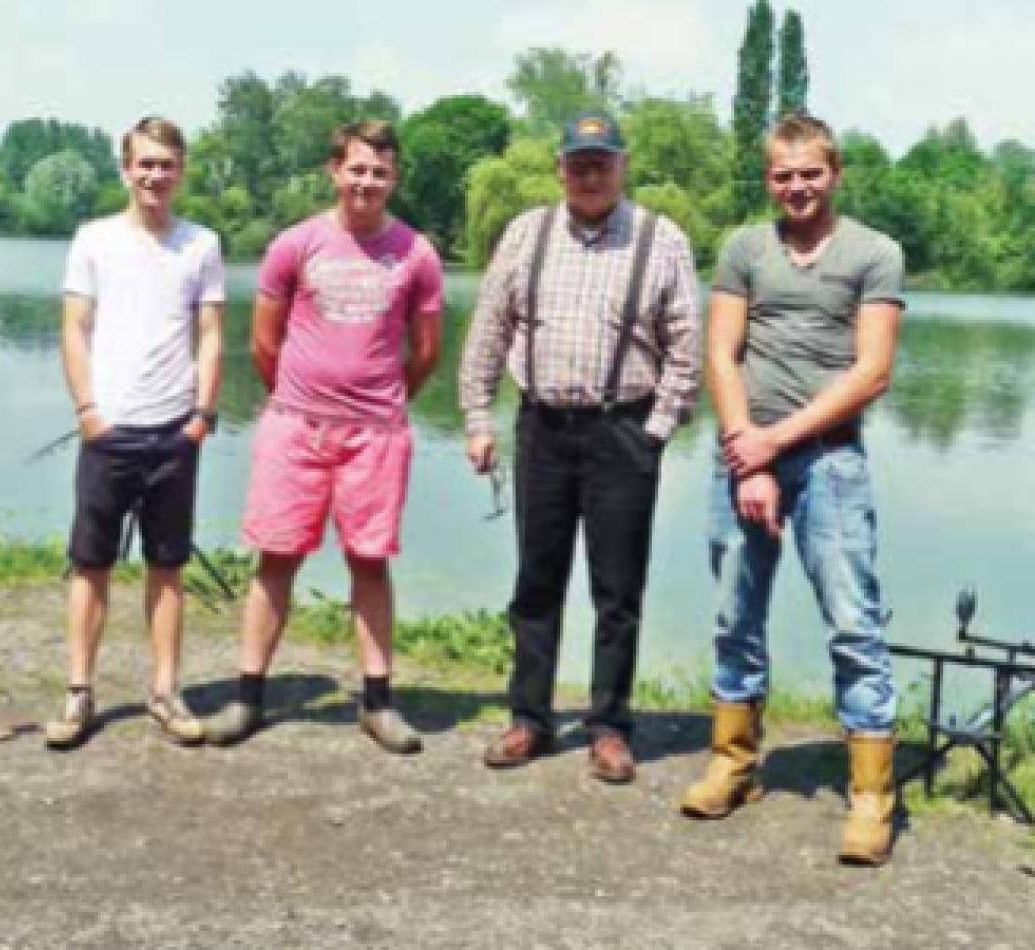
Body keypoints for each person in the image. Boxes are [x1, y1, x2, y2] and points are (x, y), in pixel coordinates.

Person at [679, 113, 905, 867]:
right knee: (734, 616)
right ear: (768, 178)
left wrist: (779, 444)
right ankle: (734, 763)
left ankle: (872, 797)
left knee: (853, 623)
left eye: (810, 172)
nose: (797, 186)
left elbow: (871, 373)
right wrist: (752, 456)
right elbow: (721, 353)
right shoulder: (745, 248)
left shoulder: (876, 253)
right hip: (744, 456)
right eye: (783, 174)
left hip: (830, 464)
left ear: (835, 173)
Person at [459, 110, 701, 783]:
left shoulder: (662, 239)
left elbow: (687, 350)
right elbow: (487, 332)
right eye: (579, 161)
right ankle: (529, 719)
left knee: (617, 590)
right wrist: (478, 418)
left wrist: (654, 434)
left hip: (623, 429)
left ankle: (609, 726)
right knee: (536, 584)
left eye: (603, 161)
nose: (590, 173)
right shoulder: (526, 233)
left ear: (622, 167)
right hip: (541, 426)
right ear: (560, 168)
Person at [204, 120, 444, 754]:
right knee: (275, 558)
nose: (367, 183)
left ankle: (378, 702)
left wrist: (379, 401)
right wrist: (299, 397)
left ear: (394, 180)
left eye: (380, 172)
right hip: (295, 425)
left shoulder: (415, 253)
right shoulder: (296, 244)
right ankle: (248, 695)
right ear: (334, 171)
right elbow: (263, 341)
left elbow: (424, 352)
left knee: (369, 561)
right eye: (357, 169)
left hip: (376, 433)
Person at [43, 116, 225, 750]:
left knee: (167, 567)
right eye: (144, 164)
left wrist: (201, 416)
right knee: (89, 565)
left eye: (166, 165)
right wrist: (88, 410)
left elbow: (209, 333)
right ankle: (78, 693)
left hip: (175, 431)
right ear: (126, 169)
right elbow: (74, 329)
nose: (155, 175)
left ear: (181, 172)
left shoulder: (201, 244)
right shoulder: (93, 240)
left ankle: (166, 691)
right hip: (109, 429)